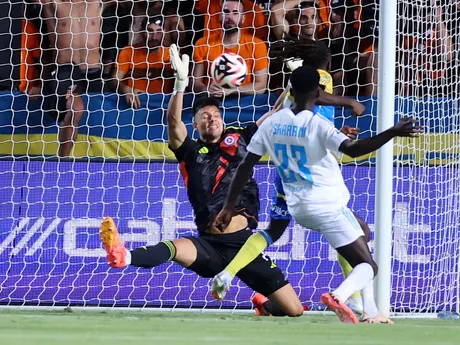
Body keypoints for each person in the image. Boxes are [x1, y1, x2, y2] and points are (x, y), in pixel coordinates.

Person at [99, 44, 304, 317]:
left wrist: (295, 82)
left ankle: (262, 305)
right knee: (173, 248)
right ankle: (123, 256)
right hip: (208, 245)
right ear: (195, 125)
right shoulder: (190, 152)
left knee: (294, 310)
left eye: (216, 115)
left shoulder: (242, 138)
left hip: (244, 246)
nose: (212, 119)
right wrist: (181, 84)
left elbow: (275, 113)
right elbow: (173, 122)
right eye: (205, 117)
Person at [213, 65, 423, 323]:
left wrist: (228, 206)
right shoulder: (317, 124)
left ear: (290, 92)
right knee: (368, 266)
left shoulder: (272, 124)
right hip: (327, 205)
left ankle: (369, 310)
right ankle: (341, 296)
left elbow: (245, 166)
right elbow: (353, 150)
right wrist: (392, 131)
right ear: (318, 91)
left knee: (361, 233)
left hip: (299, 208)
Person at [219, 37, 369, 315]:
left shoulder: (291, 86)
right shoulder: (320, 77)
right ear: (326, 63)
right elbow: (319, 100)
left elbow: (285, 113)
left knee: (273, 230)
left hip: (286, 172)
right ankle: (356, 298)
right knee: (355, 233)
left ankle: (228, 273)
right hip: (313, 177)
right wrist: (348, 101)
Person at [39, 0, 104, 157]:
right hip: (67, 70)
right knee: (76, 108)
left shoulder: (97, 3)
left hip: (95, 72)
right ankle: (63, 159)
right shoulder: (54, 4)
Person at [193, 0, 268, 97]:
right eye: (226, 12)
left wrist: (232, 90)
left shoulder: (257, 45)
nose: (230, 17)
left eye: (235, 13)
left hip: (245, 102)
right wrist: (206, 89)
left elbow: (261, 86)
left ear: (243, 18)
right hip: (212, 100)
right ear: (220, 16)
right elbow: (195, 84)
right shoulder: (202, 44)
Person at [112, 16, 174, 109]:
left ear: (164, 32)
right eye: (150, 31)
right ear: (141, 31)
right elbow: (114, 80)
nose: (154, 37)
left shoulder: (172, 55)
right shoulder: (129, 52)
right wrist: (126, 89)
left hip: (162, 108)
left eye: (159, 31)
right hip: (134, 106)